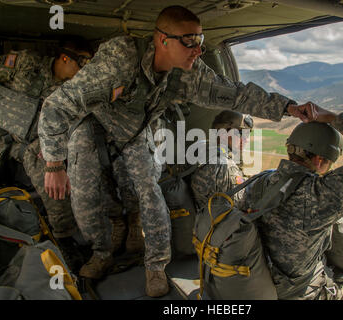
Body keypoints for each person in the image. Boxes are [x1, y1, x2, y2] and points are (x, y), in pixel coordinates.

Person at [38, 5, 320, 297]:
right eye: (189, 41)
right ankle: (101, 253)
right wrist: (54, 164)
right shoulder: (120, 59)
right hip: (93, 124)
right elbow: (57, 106)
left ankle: (156, 266)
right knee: (85, 191)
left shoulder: (187, 73)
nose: (197, 50)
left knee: (149, 188)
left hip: (135, 129)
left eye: (200, 41)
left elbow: (234, 92)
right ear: (163, 40)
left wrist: (288, 107)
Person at [245, 105, 343, 300]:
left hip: (253, 282)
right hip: (294, 294)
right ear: (319, 160)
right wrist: (334, 118)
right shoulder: (320, 194)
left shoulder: (259, 182)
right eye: (329, 162)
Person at [0, 38, 92, 271]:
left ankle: (64, 237)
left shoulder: (71, 92)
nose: (82, 73)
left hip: (30, 145)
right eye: (81, 66)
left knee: (54, 178)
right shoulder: (27, 63)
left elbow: (73, 124)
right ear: (65, 58)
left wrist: (56, 150)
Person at [66, 115, 144, 279]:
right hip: (82, 129)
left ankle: (135, 224)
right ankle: (112, 235)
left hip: (124, 121)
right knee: (95, 190)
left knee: (129, 181)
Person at [191, 110, 253, 211]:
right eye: (241, 133)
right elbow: (241, 205)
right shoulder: (223, 164)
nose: (246, 139)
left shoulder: (204, 149)